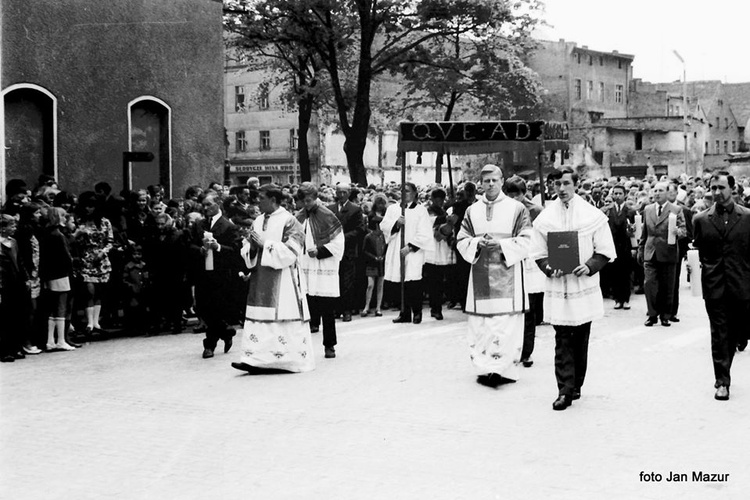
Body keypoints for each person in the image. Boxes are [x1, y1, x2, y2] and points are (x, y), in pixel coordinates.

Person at [531, 168, 616, 411]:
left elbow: (605, 251)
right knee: (562, 338)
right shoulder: (545, 218)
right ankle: (564, 390)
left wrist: (589, 267)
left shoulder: (593, 215)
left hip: (583, 285)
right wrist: (548, 267)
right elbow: (538, 252)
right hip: (559, 285)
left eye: (566, 183)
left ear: (575, 185)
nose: (561, 189)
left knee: (581, 338)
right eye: (557, 184)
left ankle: (577, 383)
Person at [456, 165, 532, 388]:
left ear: (502, 180)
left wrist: (501, 244)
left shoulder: (517, 208)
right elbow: (461, 239)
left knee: (505, 324)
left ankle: (502, 368)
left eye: (494, 180)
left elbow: (528, 239)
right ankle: (484, 367)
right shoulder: (472, 211)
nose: (490, 184)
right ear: (480, 182)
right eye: (486, 181)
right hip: (480, 273)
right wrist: (476, 243)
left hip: (507, 275)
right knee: (481, 324)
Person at [231, 184, 314, 374]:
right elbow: (247, 247)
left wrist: (264, 244)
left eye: (261, 198)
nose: (257, 201)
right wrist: (251, 247)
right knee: (259, 318)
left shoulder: (290, 221)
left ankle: (287, 361)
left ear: (273, 200)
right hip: (260, 278)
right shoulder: (257, 221)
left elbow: (292, 252)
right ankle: (255, 359)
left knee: (281, 317)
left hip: (283, 280)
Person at [692, 172, 750, 401]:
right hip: (714, 285)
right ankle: (722, 381)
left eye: (721, 187)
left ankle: (731, 357)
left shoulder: (747, 217)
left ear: (733, 189)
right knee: (719, 334)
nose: (716, 192)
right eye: (713, 188)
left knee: (736, 332)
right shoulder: (701, 219)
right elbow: (698, 250)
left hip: (742, 284)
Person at [296, 182, 344, 359]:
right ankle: (302, 346)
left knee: (327, 308)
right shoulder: (299, 216)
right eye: (303, 201)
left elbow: (339, 243)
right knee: (306, 306)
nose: (306, 204)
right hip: (306, 266)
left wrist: (320, 251)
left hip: (324, 265)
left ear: (315, 197)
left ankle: (329, 345)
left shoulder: (327, 215)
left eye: (309, 200)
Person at [191, 193, 241, 359]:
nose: (205, 208)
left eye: (209, 205)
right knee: (202, 307)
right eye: (203, 205)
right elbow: (189, 244)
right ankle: (226, 331)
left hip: (220, 275)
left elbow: (235, 251)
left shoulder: (228, 226)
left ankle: (209, 344)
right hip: (202, 273)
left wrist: (218, 247)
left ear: (218, 204)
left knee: (215, 307)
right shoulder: (199, 225)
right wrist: (200, 249)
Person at [504, 175, 544, 368]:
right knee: (511, 309)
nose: (513, 199)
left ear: (524, 193)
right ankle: (511, 347)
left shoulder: (535, 210)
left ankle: (526, 351)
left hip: (529, 260)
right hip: (509, 260)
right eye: (509, 194)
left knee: (528, 309)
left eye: (517, 195)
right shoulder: (502, 209)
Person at [381, 182, 433, 324]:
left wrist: (410, 247)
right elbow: (384, 226)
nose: (405, 194)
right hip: (396, 248)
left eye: (408, 191)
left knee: (413, 282)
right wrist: (396, 224)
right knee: (400, 282)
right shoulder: (393, 209)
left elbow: (425, 233)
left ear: (415, 193)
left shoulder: (421, 210)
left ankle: (417, 312)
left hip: (413, 251)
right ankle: (404, 312)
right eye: (402, 191)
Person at [637, 182, 687, 327]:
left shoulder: (676, 209)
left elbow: (684, 230)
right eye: (655, 190)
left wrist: (679, 232)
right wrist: (641, 250)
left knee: (667, 286)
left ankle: (665, 315)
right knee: (649, 284)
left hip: (668, 252)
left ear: (667, 193)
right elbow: (644, 233)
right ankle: (652, 314)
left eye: (660, 190)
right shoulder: (648, 209)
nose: (657, 193)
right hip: (650, 251)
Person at [72, 191, 114, 337]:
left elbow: (110, 241)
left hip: (101, 260)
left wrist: (103, 252)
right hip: (85, 259)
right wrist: (78, 234)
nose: (89, 209)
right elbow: (72, 241)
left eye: (92, 206)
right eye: (87, 206)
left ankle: (96, 322)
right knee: (89, 290)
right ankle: (89, 322)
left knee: (99, 292)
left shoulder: (105, 222)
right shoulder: (78, 221)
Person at [39, 207, 76, 351]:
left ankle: (50, 340)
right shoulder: (58, 235)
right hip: (61, 274)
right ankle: (60, 339)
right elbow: (67, 257)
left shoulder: (46, 233)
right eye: (63, 216)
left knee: (51, 309)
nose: (65, 219)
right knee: (61, 306)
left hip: (49, 274)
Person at [327, 183, 365, 321]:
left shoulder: (355, 209)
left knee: (347, 282)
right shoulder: (330, 208)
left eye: (344, 192)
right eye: (339, 192)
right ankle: (336, 309)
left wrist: (343, 237)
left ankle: (347, 310)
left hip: (348, 250)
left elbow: (360, 229)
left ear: (349, 193)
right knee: (334, 279)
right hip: (333, 250)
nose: (341, 195)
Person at [601, 184, 637, 310]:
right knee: (614, 273)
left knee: (626, 273)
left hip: (626, 246)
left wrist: (634, 247)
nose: (617, 196)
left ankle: (626, 299)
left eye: (620, 193)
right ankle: (617, 299)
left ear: (625, 195)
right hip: (613, 245)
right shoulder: (608, 210)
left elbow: (635, 230)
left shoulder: (630, 211)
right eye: (615, 193)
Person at [423, 188, 454, 321]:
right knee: (433, 282)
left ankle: (437, 307)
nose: (440, 202)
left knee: (440, 282)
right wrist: (446, 218)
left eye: (442, 199)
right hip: (432, 251)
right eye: (437, 199)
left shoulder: (444, 211)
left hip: (442, 250)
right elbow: (431, 222)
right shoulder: (427, 211)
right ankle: (434, 308)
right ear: (433, 199)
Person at [666, 183, 693, 322]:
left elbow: (689, 232)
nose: (669, 194)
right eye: (667, 192)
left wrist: (685, 251)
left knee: (674, 281)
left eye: (672, 192)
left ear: (676, 193)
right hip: (660, 249)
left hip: (676, 250)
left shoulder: (685, 210)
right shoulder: (656, 208)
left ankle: (672, 311)